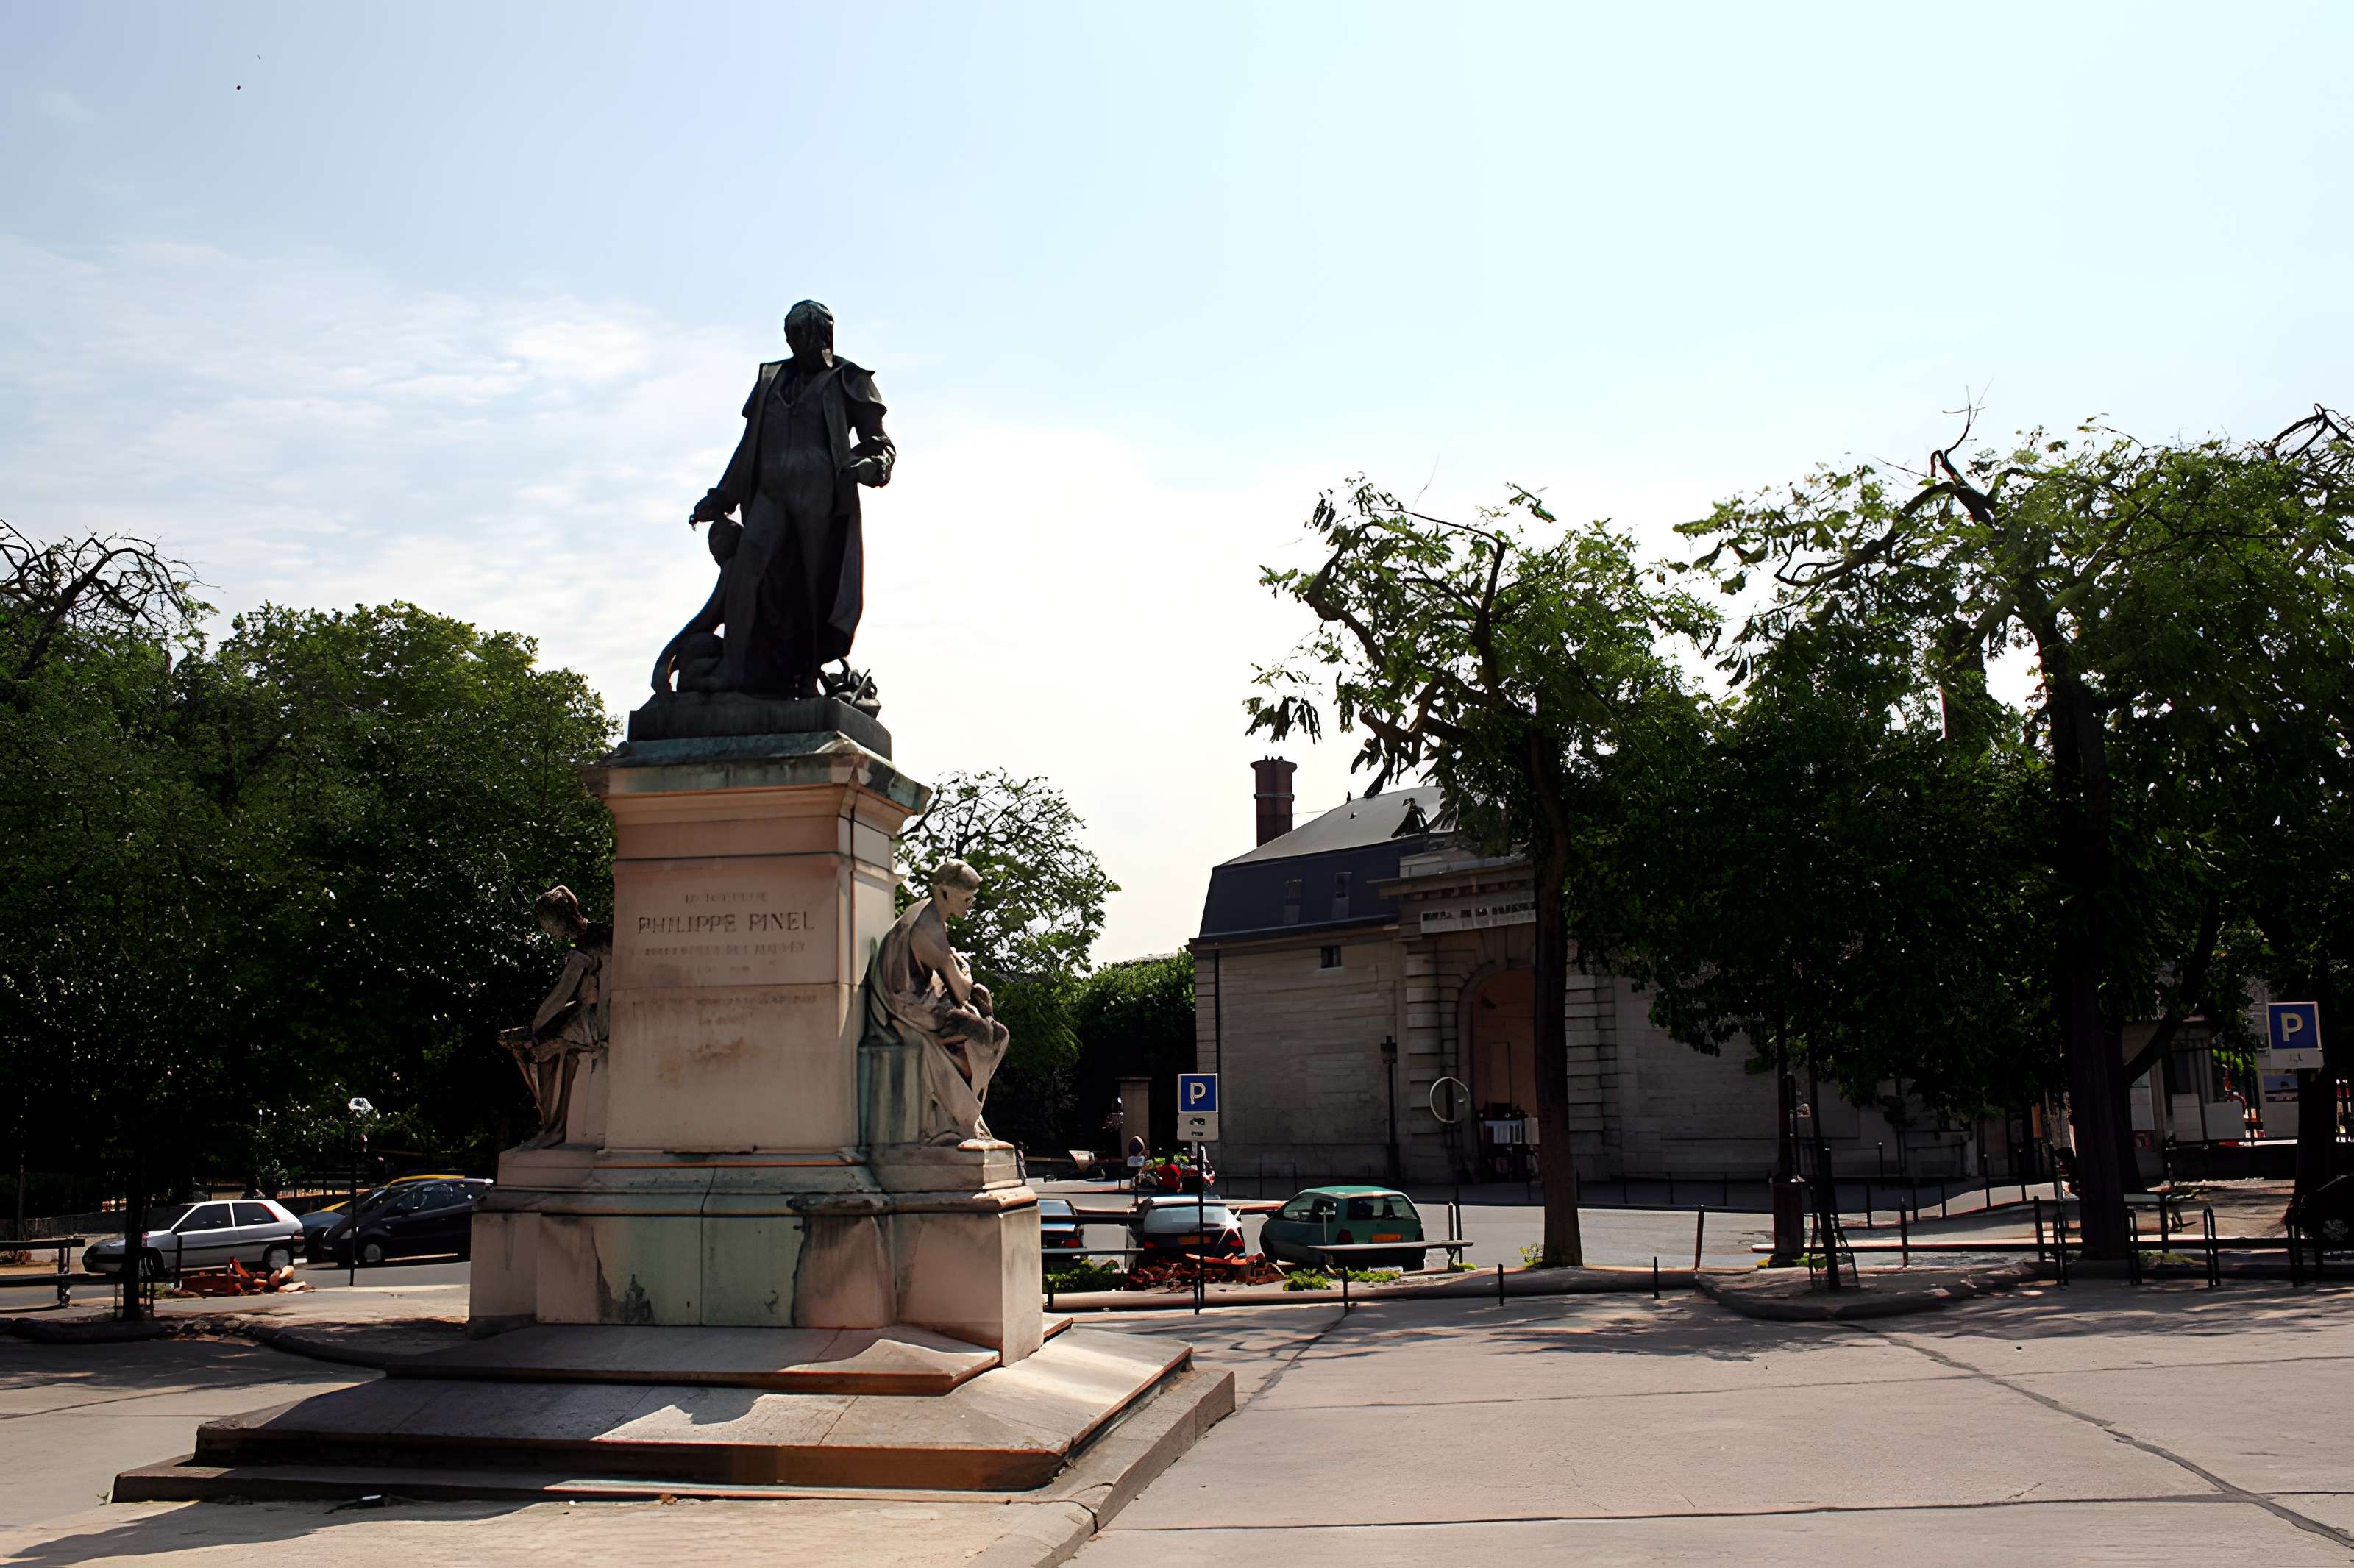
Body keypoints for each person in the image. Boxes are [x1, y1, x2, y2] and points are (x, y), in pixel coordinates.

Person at [670, 299, 895, 699]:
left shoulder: (849, 379)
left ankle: (806, 677)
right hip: (770, 496)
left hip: (821, 496)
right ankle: (735, 671)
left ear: (824, 336)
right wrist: (722, 496)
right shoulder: (769, 381)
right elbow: (748, 447)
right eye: (792, 336)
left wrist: (874, 465)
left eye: (805, 336)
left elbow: (879, 443)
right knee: (747, 576)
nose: (798, 344)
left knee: (814, 585)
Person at [500, 886, 611, 1148]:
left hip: (602, 1021)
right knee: (560, 1046)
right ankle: (556, 1126)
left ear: (555, 921)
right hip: (600, 1012)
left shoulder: (588, 941)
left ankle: (552, 1127)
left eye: (545, 923)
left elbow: (563, 993)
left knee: (538, 1049)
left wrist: (535, 1028)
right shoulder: (601, 931)